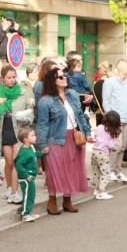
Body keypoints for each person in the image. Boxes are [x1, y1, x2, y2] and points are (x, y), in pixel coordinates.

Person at [36, 67, 92, 215]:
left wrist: (87, 133)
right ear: (52, 81)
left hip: (73, 137)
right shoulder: (45, 101)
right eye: (60, 77)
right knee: (54, 171)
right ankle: (52, 201)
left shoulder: (72, 94)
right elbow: (42, 124)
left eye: (64, 76)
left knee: (72, 169)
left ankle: (67, 200)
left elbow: (80, 116)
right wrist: (42, 145)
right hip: (55, 138)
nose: (64, 78)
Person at [0, 64, 24, 205]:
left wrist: (26, 117)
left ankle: (14, 193)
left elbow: (29, 108)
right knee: (9, 162)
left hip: (18, 127)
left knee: (16, 161)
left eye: (13, 77)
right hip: (3, 126)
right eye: (9, 77)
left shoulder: (22, 91)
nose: (12, 80)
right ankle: (9, 187)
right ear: (2, 79)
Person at [90, 110, 121, 200]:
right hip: (103, 154)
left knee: (96, 172)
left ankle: (96, 189)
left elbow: (95, 138)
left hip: (94, 152)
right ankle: (101, 192)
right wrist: (115, 149)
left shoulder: (99, 127)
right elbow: (111, 146)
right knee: (105, 173)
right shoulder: (113, 132)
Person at [13, 128, 41, 221]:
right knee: (28, 195)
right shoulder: (23, 151)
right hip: (26, 178)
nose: (35, 137)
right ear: (25, 139)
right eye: (32, 135)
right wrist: (26, 175)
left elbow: (33, 157)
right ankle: (25, 214)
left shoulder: (30, 148)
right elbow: (18, 164)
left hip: (30, 176)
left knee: (31, 195)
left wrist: (41, 153)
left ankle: (27, 212)